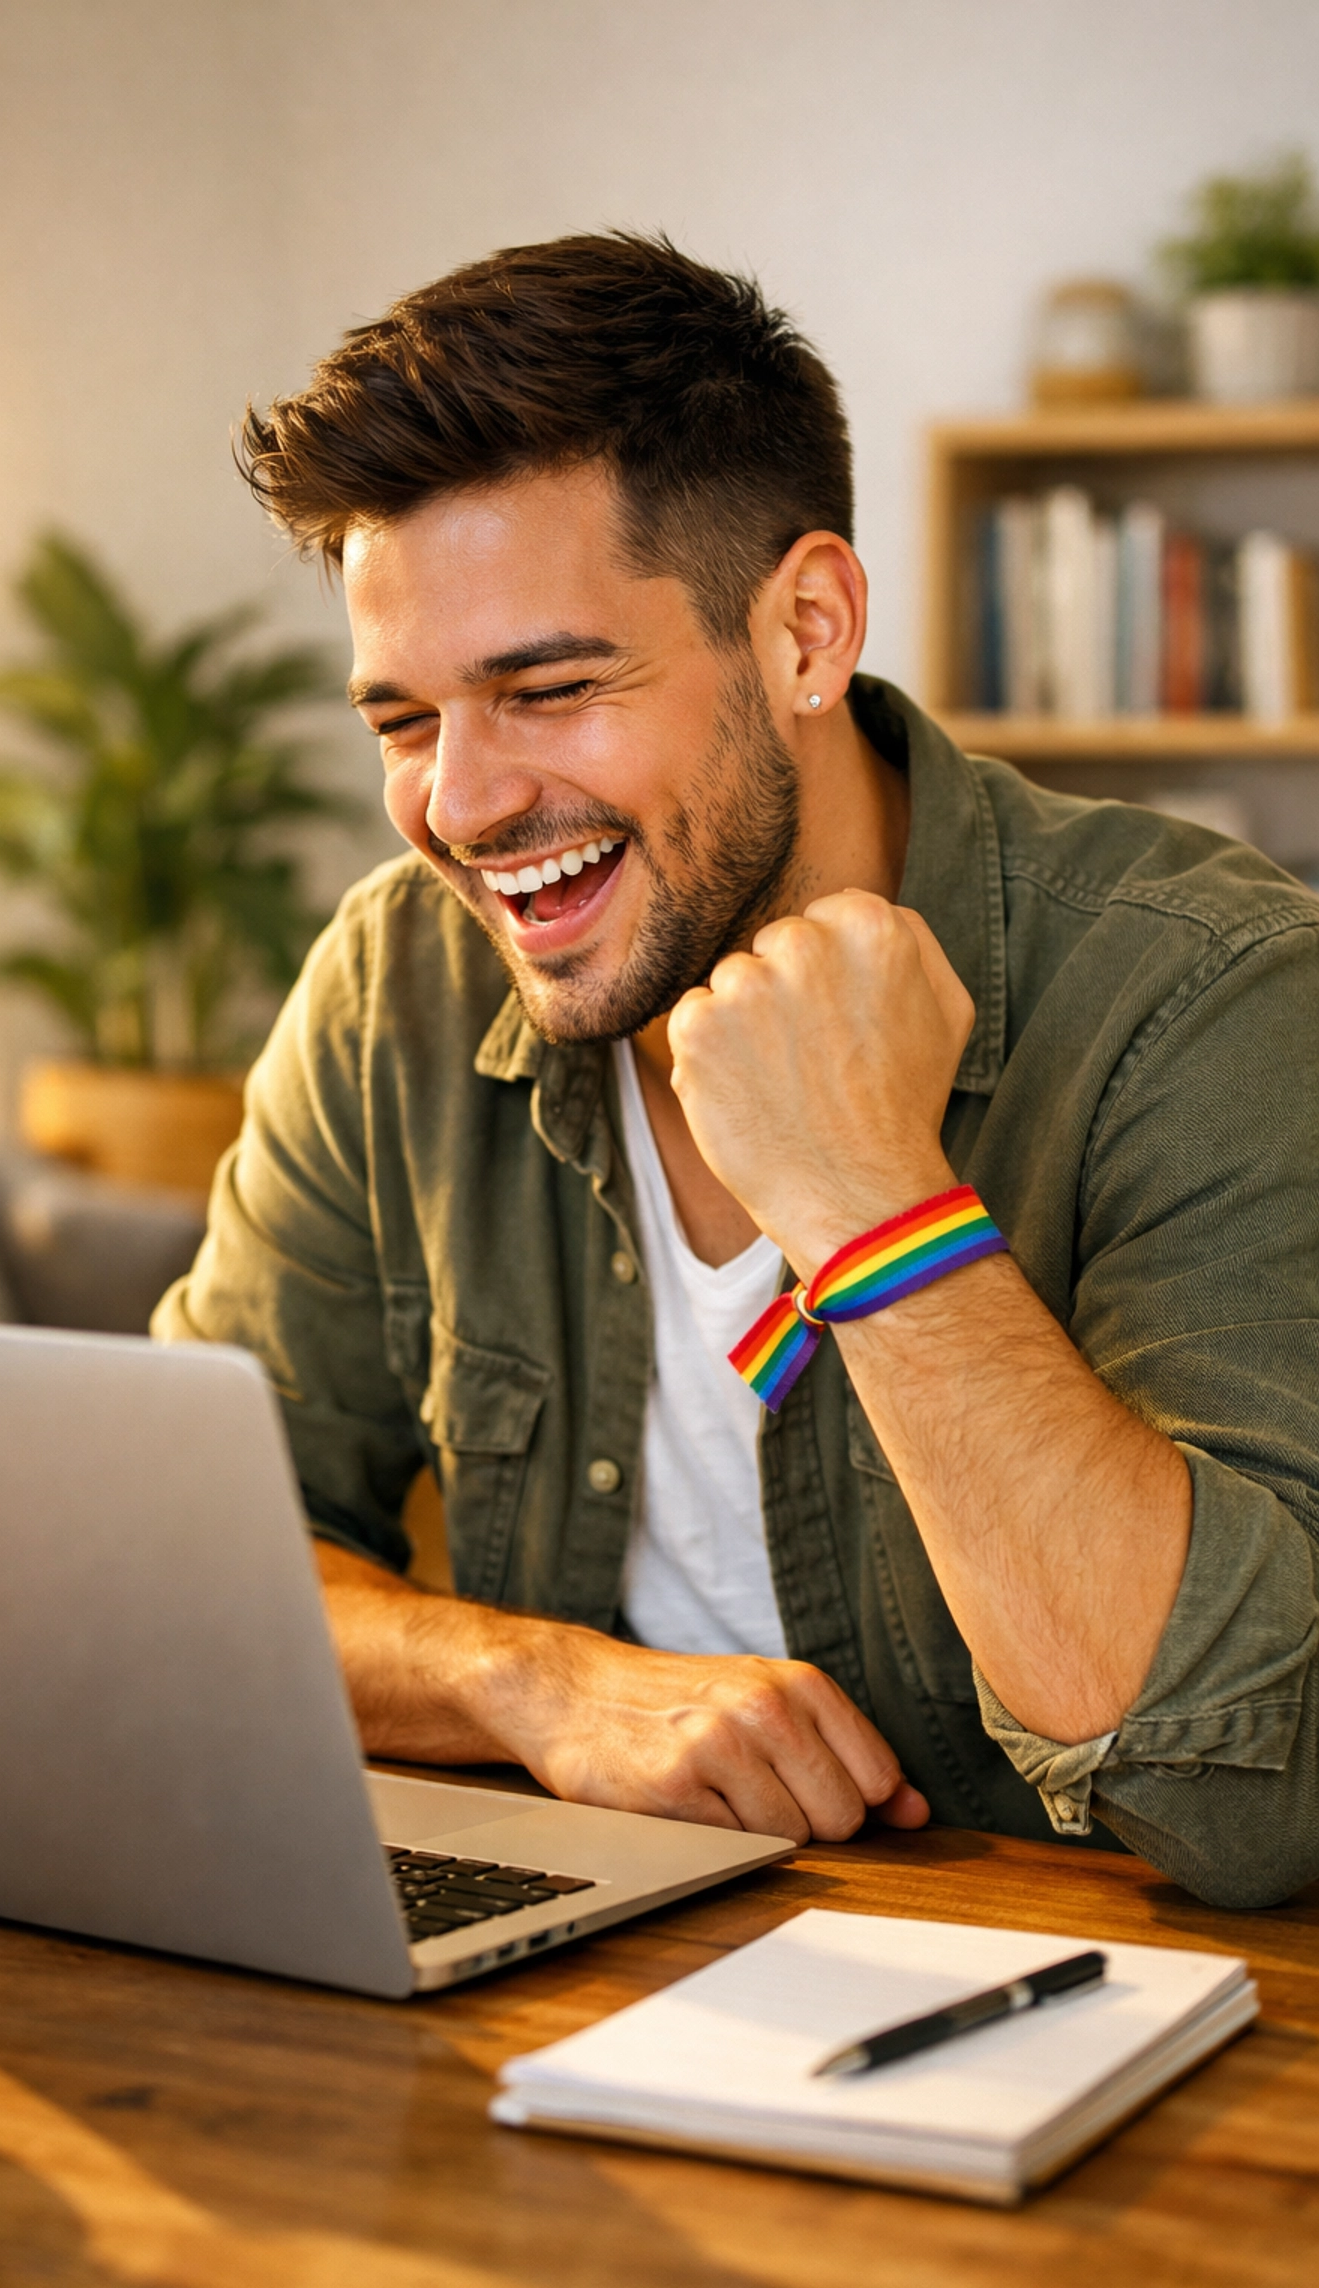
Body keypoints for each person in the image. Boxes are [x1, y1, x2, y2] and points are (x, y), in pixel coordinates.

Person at [154, 233, 1319, 1907]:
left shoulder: (1204, 993)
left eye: (546, 689)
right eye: (402, 721)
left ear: (806, 631)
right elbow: (188, 1570)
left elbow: (1252, 1792)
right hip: (581, 1983)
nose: (460, 808)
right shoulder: (387, 989)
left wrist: (869, 1200)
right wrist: (533, 1686)